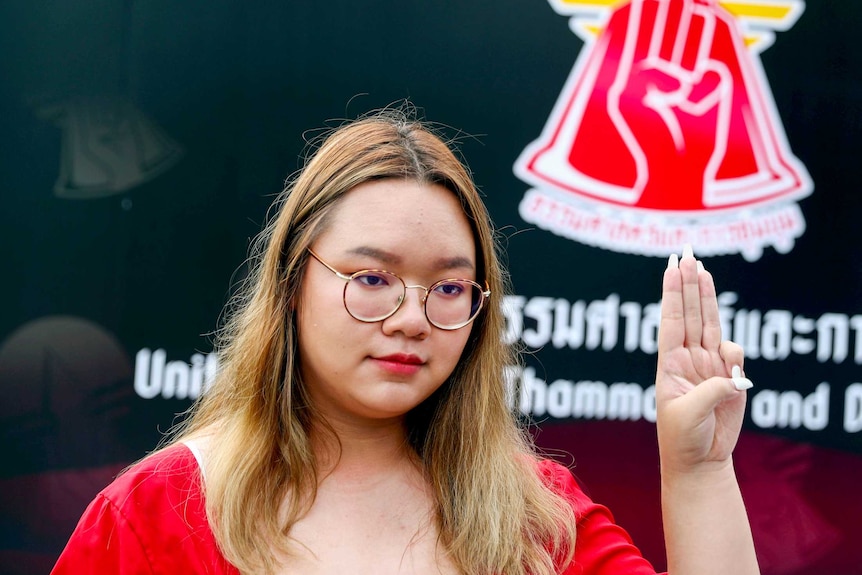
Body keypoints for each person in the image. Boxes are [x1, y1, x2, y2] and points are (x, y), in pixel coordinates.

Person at [51, 107, 760, 575]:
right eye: (372, 278)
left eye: (449, 288)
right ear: (294, 282)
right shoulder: (156, 512)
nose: (411, 318)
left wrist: (699, 473)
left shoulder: (533, 513)